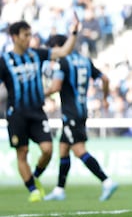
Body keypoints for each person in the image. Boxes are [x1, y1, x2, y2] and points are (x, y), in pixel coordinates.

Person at [0, 17, 80, 202]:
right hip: (16, 114)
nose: (29, 38)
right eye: (25, 35)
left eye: (30, 35)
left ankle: (34, 176)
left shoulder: (36, 54)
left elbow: (64, 51)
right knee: (22, 152)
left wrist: (74, 32)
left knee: (47, 150)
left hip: (37, 112)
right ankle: (33, 190)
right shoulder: (4, 61)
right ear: (14, 37)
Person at [43, 34, 118, 202]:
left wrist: (38, 95)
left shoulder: (62, 62)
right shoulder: (85, 61)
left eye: (52, 49)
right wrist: (105, 98)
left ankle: (106, 181)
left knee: (78, 150)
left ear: (60, 47)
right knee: (63, 148)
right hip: (82, 110)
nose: (51, 54)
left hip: (70, 113)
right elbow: (105, 79)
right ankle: (59, 189)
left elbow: (55, 87)